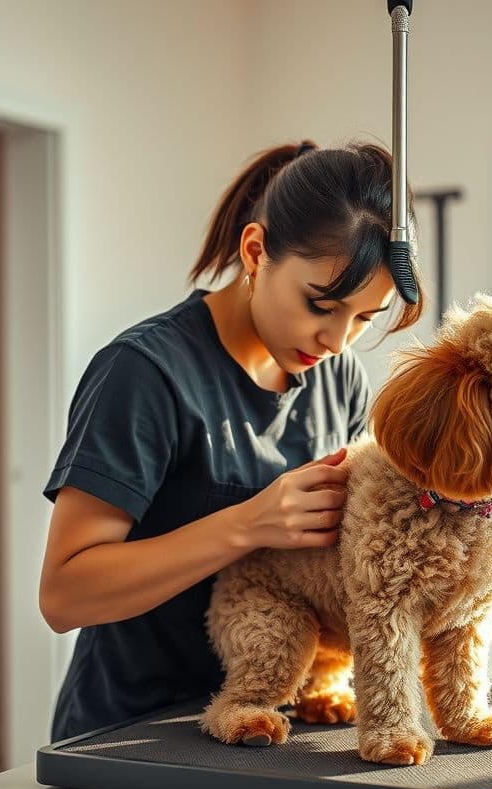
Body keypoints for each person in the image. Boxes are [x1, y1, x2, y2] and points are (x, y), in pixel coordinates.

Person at [38, 139, 426, 742]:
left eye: (363, 318)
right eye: (320, 304)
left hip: (278, 727)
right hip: (136, 729)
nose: (336, 339)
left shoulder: (338, 376)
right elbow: (64, 595)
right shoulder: (144, 373)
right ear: (255, 251)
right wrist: (249, 523)